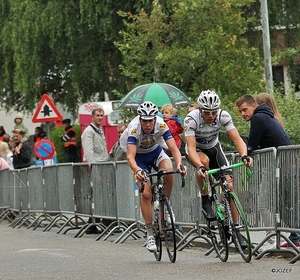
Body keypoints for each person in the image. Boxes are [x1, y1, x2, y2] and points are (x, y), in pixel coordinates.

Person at [184, 89, 253, 248]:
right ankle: (205, 199)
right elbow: (192, 148)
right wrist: (200, 166)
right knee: (204, 161)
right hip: (197, 151)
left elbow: (237, 140)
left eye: (213, 112)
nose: (211, 116)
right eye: (207, 112)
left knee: (229, 185)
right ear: (200, 110)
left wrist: (244, 155)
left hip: (214, 148)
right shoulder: (191, 120)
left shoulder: (223, 115)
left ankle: (236, 230)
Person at [120, 101, 187, 252]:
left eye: (150, 121)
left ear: (155, 119)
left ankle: (166, 203)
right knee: (146, 194)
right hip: (138, 158)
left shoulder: (162, 125)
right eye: (145, 121)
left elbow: (174, 149)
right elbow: (130, 157)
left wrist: (179, 164)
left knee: (169, 171)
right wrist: (137, 170)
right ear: (140, 119)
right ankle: (150, 233)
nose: (148, 124)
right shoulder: (134, 129)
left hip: (155, 152)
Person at [236, 94, 300, 247]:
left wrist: (246, 154)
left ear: (253, 105)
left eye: (245, 109)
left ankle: (289, 237)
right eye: (240, 112)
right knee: (287, 202)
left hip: (284, 165)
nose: (243, 114)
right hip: (285, 164)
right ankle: (294, 236)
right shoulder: (265, 116)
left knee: (270, 203)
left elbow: (251, 143)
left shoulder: (258, 118)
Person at [81, 107, 109, 234]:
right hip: (97, 166)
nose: (100, 117)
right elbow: (89, 151)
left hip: (104, 165)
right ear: (92, 116)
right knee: (99, 195)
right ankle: (95, 223)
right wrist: (94, 168)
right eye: (98, 115)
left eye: (102, 115)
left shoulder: (100, 130)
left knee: (102, 195)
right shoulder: (89, 131)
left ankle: (94, 223)